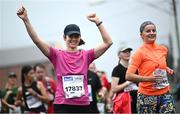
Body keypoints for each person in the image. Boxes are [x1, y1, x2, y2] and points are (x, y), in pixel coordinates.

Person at [17, 6, 112, 113]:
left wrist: (98, 22)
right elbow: (37, 40)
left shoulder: (86, 55)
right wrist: (26, 20)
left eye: (76, 36)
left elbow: (108, 42)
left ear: (80, 38)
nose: (74, 39)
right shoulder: (57, 55)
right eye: (71, 36)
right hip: (63, 105)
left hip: (83, 105)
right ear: (64, 37)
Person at [126, 21, 176, 113]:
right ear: (141, 35)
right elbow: (128, 76)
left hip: (165, 94)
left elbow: (157, 64)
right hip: (147, 96)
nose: (152, 33)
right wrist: (149, 79)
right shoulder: (139, 53)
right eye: (148, 31)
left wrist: (166, 68)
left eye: (154, 30)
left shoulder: (163, 49)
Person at [111, 46, 138, 114]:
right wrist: (128, 82)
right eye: (124, 52)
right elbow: (114, 89)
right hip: (124, 101)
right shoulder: (116, 70)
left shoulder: (134, 68)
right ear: (119, 55)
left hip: (137, 99)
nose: (127, 53)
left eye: (129, 51)